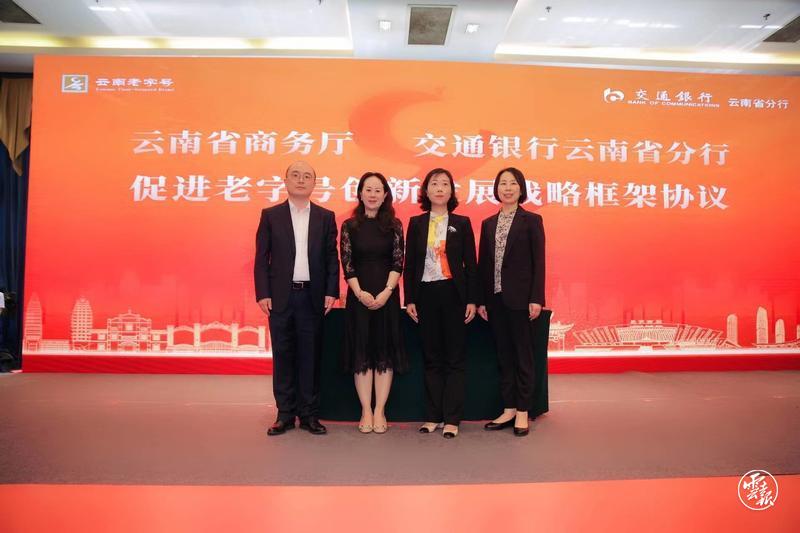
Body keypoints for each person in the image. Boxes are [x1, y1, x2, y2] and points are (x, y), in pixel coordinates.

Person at [254, 161, 339, 436]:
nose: (301, 180)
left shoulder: (325, 217)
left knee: (311, 356)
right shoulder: (271, 215)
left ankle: (309, 414)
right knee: (283, 355)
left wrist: (331, 291)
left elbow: (331, 258)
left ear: (314, 183)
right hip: (281, 297)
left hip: (312, 296)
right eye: (295, 175)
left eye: (307, 176)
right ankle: (285, 414)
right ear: (286, 181)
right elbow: (261, 258)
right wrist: (263, 293)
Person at [404, 168, 478, 439]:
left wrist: (472, 299)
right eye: (434, 184)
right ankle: (432, 416)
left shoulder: (462, 223)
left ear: (451, 191)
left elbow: (471, 265)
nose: (439, 188)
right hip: (425, 294)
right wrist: (409, 299)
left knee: (455, 359)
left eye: (444, 184)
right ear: (426, 190)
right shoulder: (416, 223)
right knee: (432, 358)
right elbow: (410, 264)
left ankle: (452, 419)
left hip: (454, 295)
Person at [477, 167, 546, 437]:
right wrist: (482, 300)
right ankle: (508, 407)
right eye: (503, 183)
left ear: (521, 188)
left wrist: (536, 297)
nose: (507, 188)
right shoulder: (488, 224)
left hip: (521, 299)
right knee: (504, 356)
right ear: (496, 189)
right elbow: (484, 264)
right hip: (495, 299)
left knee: (523, 356)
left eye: (513, 183)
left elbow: (539, 261)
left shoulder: (532, 221)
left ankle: (523, 411)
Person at [340, 172, 407, 434]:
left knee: (384, 354)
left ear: (385, 194)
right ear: (360, 193)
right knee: (362, 354)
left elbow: (398, 261)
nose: (372, 194)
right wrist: (360, 293)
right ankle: (365, 410)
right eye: (368, 189)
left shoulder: (394, 225)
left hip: (387, 296)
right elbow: (347, 263)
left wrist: (387, 292)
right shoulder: (349, 226)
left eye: (378, 190)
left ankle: (380, 410)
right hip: (359, 296)